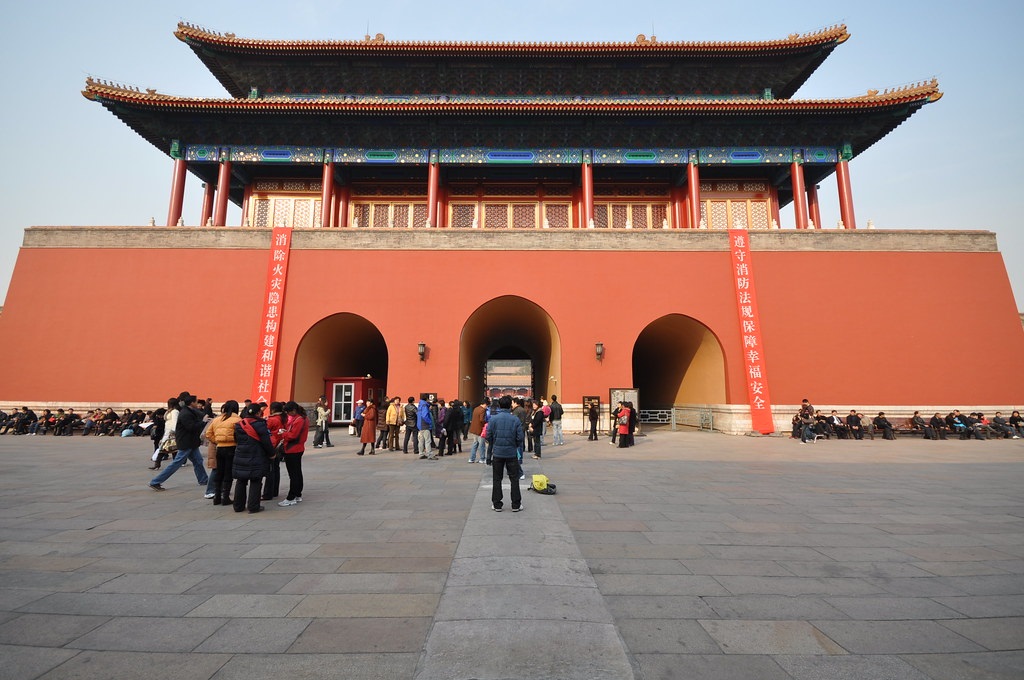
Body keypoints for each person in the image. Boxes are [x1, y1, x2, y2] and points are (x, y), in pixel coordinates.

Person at [149, 392, 209, 491]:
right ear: (192, 403)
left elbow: (199, 416)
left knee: (198, 461)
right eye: (196, 401)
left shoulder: (190, 411)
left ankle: (204, 480)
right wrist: (203, 422)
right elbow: (191, 427)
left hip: (192, 442)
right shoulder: (185, 413)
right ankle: (155, 481)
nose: (198, 403)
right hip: (186, 442)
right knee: (176, 463)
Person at [233, 404, 275, 513]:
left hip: (241, 454)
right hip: (256, 455)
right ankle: (253, 506)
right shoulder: (260, 424)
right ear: (258, 413)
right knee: (256, 480)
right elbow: (266, 442)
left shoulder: (239, 424)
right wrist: (272, 454)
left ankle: (238, 506)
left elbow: (236, 440)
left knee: (241, 480)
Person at [486, 395, 525, 512]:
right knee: (514, 479)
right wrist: (514, 445)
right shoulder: (515, 419)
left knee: (497, 479)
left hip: (497, 453)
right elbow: (520, 437)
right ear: (510, 406)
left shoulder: (493, 419)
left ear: (499, 406)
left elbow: (488, 436)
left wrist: (494, 444)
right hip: (511, 453)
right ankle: (516, 504)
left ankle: (497, 504)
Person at [206, 400, 241, 505]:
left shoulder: (217, 419)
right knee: (228, 473)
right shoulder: (238, 420)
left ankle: (217, 497)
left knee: (219, 472)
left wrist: (217, 441)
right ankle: (225, 497)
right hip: (232, 448)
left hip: (219, 448)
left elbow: (208, 433)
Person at [278, 401, 309, 506]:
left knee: (293, 474)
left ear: (293, 410)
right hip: (297, 448)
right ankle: (297, 494)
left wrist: (283, 433)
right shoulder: (302, 418)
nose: (288, 414)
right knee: (297, 473)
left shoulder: (299, 420)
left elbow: (293, 436)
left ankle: (291, 497)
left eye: (288, 412)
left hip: (293, 449)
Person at [261, 402, 285, 501]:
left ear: (273, 409)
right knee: (276, 469)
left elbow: (264, 432)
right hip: (280, 446)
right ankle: (274, 491)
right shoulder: (283, 418)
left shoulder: (272, 420)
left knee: (270, 471)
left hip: (272, 446)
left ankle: (268, 493)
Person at [468, 398, 490, 463]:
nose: (487, 407)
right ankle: (482, 458)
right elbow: (481, 420)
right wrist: (486, 423)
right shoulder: (483, 410)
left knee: (475, 443)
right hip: (480, 429)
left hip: (474, 429)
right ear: (485, 404)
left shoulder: (476, 408)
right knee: (482, 444)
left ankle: (471, 458)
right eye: (487, 405)